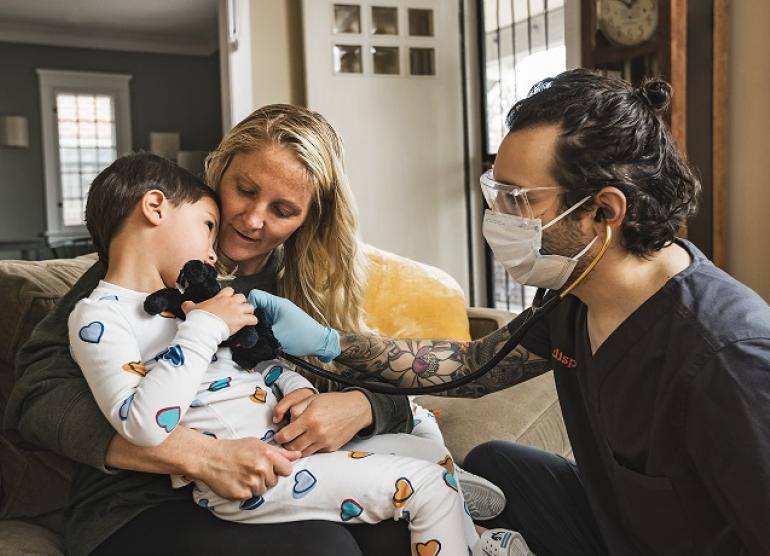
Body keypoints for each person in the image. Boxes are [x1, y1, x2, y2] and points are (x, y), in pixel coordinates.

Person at [248, 70, 770, 556]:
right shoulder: (575, 293)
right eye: (497, 193)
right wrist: (331, 344)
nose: (499, 218)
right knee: (498, 463)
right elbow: (473, 366)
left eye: (519, 200)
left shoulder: (727, 358)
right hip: (618, 526)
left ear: (603, 212)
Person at [4, 105, 498, 556]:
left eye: (283, 210)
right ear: (220, 171)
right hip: (140, 501)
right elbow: (35, 397)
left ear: (309, 219)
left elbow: (362, 367)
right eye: (244, 190)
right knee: (322, 548)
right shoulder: (153, 265)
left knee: (403, 524)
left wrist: (366, 406)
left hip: (281, 467)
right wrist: (200, 456)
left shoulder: (311, 285)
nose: (252, 219)